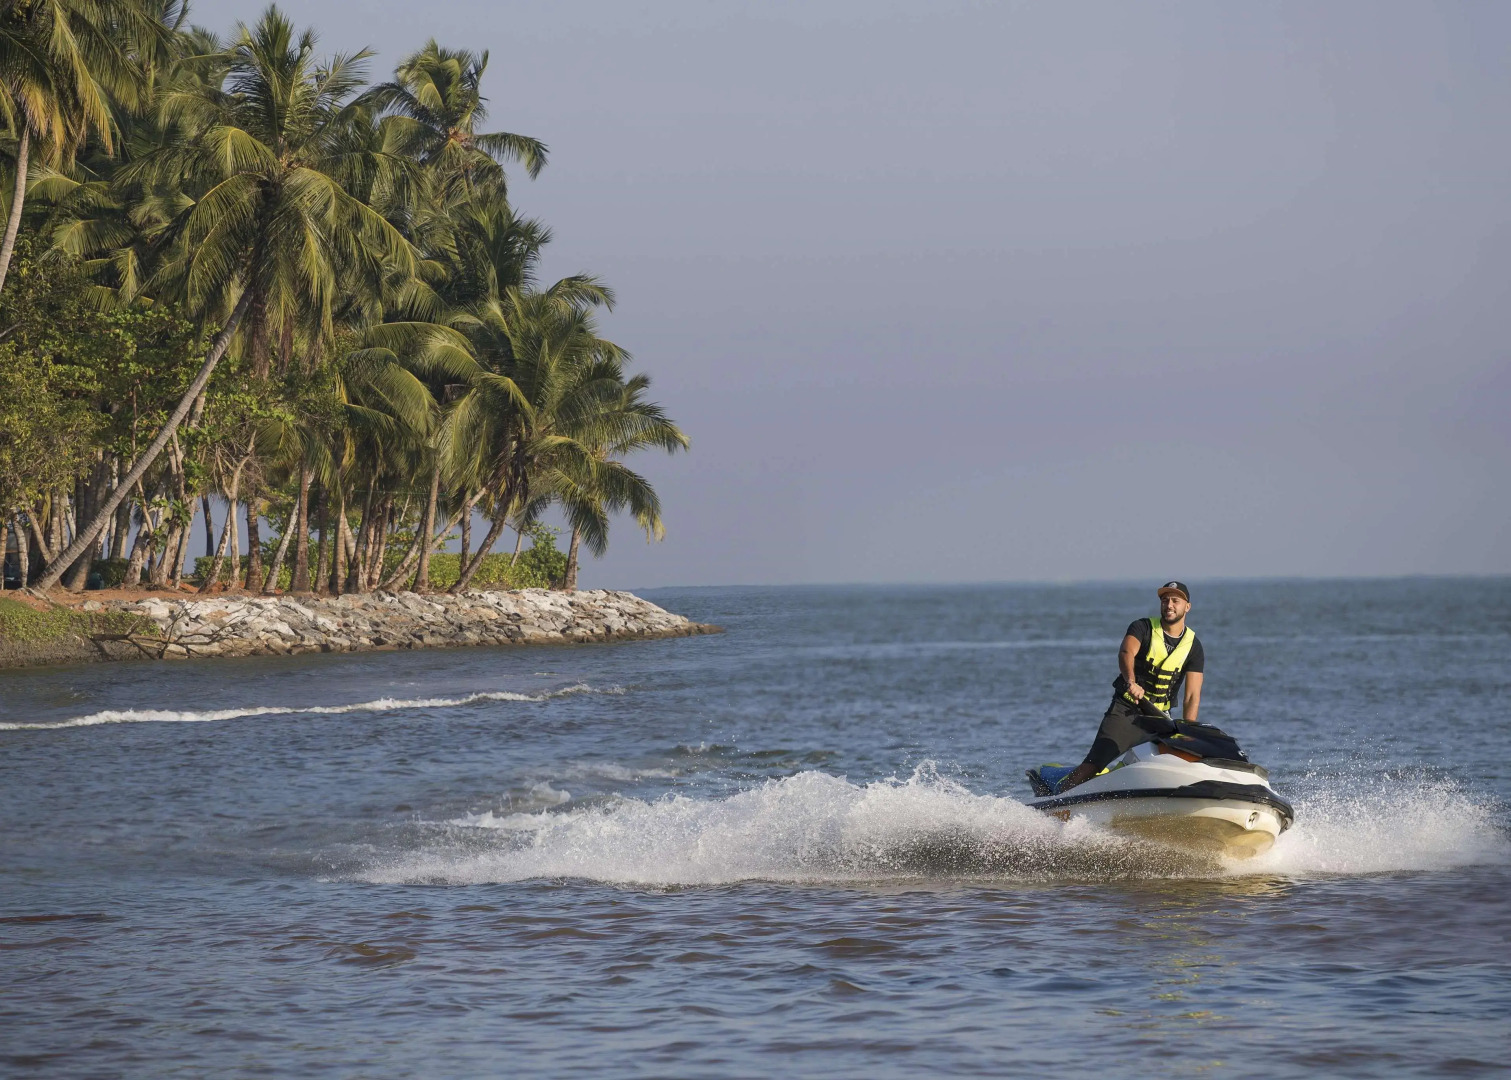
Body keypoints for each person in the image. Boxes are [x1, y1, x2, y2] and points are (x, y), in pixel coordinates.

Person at [1051, 581, 1204, 793]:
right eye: (1164, 600)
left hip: (1159, 719)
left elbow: (1192, 696)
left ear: (1187, 607)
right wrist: (1131, 681)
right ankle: (1056, 802)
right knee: (1094, 764)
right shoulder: (1142, 627)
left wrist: (1188, 734)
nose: (1169, 605)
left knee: (1176, 766)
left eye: (1175, 601)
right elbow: (1126, 653)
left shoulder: (1193, 646)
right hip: (1127, 710)